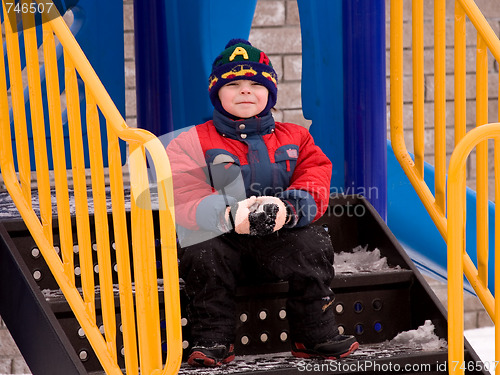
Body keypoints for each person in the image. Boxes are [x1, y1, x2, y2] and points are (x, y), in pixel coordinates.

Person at [166, 39, 358, 367]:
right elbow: (183, 194)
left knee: (313, 242)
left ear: (270, 92)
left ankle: (313, 332)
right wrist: (228, 214)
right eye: (234, 84)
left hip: (278, 238)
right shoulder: (192, 141)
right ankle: (212, 337)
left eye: (256, 84)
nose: (245, 91)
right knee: (201, 250)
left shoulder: (296, 137)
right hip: (222, 239)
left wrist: (287, 210)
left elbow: (315, 177)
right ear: (217, 93)